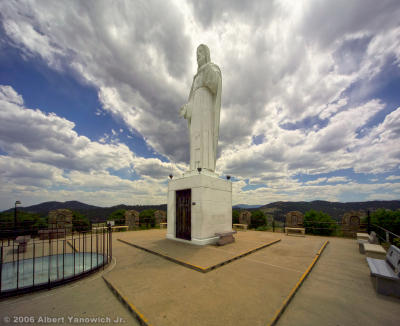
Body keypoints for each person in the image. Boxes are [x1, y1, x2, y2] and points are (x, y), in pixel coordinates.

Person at [179, 44, 222, 172]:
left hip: (206, 108)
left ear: (207, 55)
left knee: (204, 134)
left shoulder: (212, 68)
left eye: (201, 52)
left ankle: (206, 166)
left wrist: (206, 68)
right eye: (197, 53)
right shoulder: (196, 77)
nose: (198, 56)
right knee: (195, 135)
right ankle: (194, 167)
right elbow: (192, 97)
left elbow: (215, 85)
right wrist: (188, 108)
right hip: (196, 110)